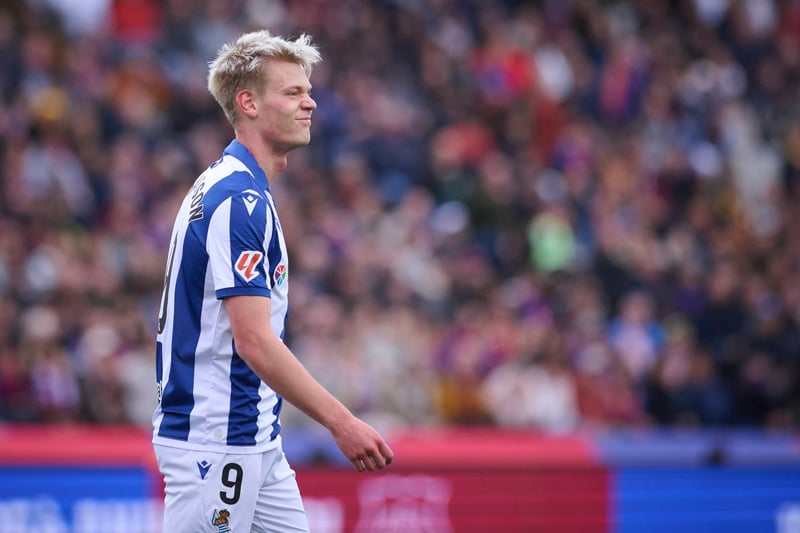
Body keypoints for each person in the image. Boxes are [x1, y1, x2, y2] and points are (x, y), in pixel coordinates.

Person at [151, 30, 394, 532]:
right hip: (217, 442)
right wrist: (341, 422)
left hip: (255, 437)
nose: (310, 103)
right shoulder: (237, 200)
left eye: (308, 91)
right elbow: (254, 341)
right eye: (293, 92)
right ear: (249, 103)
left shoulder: (236, 188)